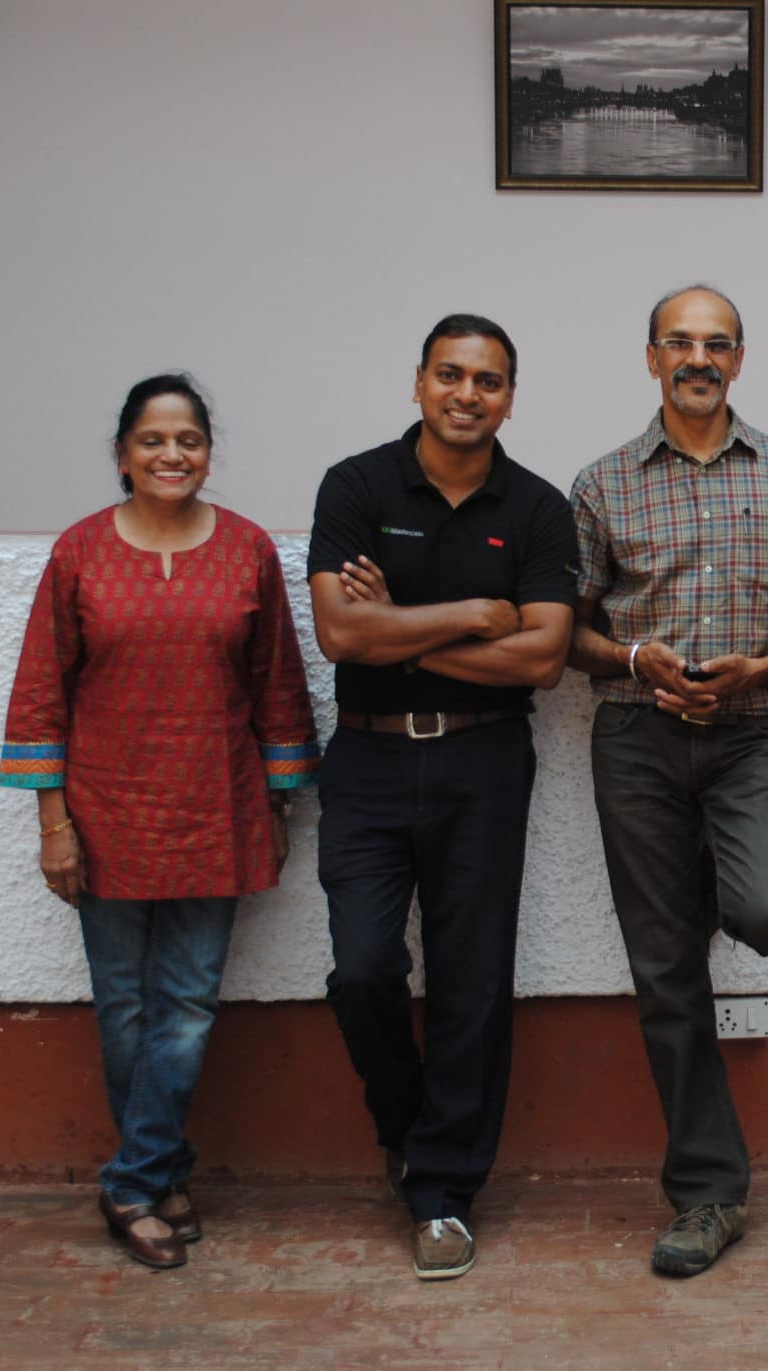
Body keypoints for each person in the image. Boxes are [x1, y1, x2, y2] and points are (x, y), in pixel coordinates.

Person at [0, 374, 320, 1271]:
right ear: (122, 454)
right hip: (105, 815)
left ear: (208, 453)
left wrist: (279, 803)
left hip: (217, 809)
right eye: (152, 439)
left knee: (184, 1009)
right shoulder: (79, 552)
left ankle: (134, 1182)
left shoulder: (249, 550)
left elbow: (278, 685)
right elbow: (40, 691)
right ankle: (158, 1172)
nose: (172, 453)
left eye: (189, 439)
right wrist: (53, 824)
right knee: (126, 1009)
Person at [568, 285, 768, 1277]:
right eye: (679, 342)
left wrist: (759, 670)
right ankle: (708, 1192)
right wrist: (634, 656)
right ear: (651, 357)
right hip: (634, 737)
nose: (699, 358)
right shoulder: (602, 483)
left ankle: (691, 899)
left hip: (748, 736)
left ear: (739, 358)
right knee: (666, 974)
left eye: (717, 343)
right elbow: (569, 630)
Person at [306, 314, 577, 1281]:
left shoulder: (537, 507)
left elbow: (542, 658)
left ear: (511, 397)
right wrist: (468, 615)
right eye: (451, 374)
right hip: (369, 759)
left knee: (472, 979)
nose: (468, 394)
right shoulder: (356, 486)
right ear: (419, 382)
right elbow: (340, 635)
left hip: (484, 761)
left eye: (488, 380)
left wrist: (399, 627)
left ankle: (443, 1193)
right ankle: (406, 1125)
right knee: (363, 968)